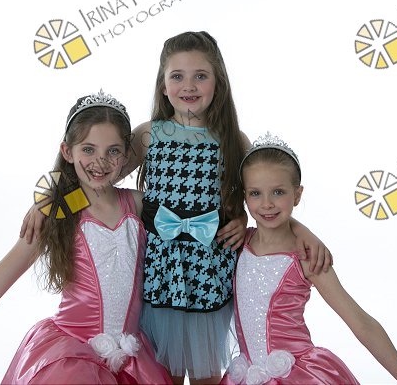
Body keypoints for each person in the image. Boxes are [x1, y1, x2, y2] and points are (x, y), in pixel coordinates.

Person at [20, 31, 332, 384]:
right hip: (160, 271)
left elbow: (259, 196)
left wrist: (260, 220)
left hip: (208, 270)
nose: (189, 86)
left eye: (201, 76)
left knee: (205, 373)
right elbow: (99, 182)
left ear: (218, 82)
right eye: (177, 76)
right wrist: (51, 203)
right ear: (163, 84)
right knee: (161, 373)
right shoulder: (148, 134)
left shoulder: (233, 139)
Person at [0, 91, 171, 385]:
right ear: (67, 151)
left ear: (125, 155)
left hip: (132, 361)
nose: (100, 161)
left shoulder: (137, 204)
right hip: (71, 362)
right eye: (88, 149)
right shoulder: (57, 214)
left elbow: (158, 133)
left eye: (113, 151)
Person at [221, 133, 397, 385]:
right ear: (245, 196)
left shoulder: (306, 257)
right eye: (256, 193)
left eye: (278, 192)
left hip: (298, 376)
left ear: (297, 194)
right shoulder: (239, 244)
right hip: (245, 376)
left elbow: (361, 323)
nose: (267, 204)